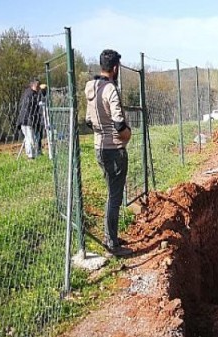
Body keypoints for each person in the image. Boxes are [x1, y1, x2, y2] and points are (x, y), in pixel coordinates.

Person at [85, 49, 133, 256]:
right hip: (114, 149)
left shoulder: (91, 87)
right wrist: (126, 135)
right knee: (115, 197)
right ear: (115, 68)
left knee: (111, 194)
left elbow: (88, 120)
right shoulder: (111, 89)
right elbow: (118, 122)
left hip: (99, 147)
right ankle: (111, 243)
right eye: (118, 68)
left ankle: (110, 235)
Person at [16, 79, 42, 159]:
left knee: (31, 138)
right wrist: (32, 122)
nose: (38, 88)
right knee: (30, 139)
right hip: (27, 121)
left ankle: (35, 154)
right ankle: (31, 157)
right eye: (37, 86)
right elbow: (28, 109)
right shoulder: (30, 95)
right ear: (33, 85)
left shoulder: (31, 93)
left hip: (30, 120)